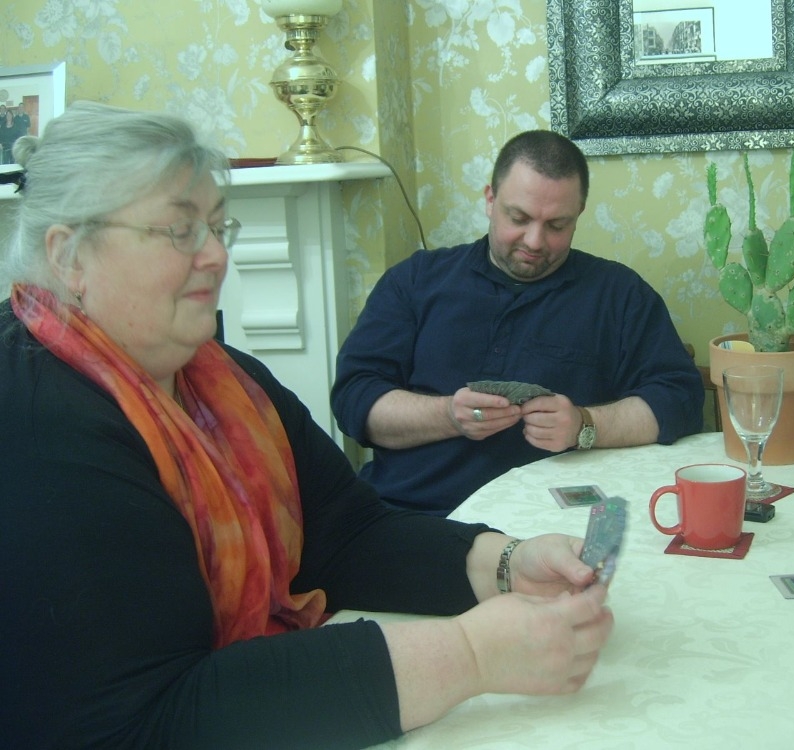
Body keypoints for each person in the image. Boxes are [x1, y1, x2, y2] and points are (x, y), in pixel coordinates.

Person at [0, 102, 614, 749]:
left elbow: (346, 534)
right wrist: (469, 655)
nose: (216, 255)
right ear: (69, 257)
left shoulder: (223, 377)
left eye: (217, 226)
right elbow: (151, 716)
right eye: (180, 231)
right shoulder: (34, 423)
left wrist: (508, 563)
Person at [332, 130, 704, 515]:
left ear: (578, 215)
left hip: (554, 523)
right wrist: (448, 416)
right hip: (413, 514)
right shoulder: (415, 280)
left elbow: (681, 400)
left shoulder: (620, 295)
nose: (535, 241)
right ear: (490, 199)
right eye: (519, 218)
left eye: (557, 225)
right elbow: (354, 399)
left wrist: (585, 425)